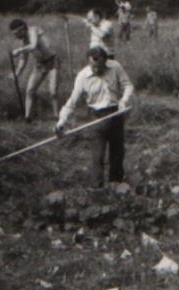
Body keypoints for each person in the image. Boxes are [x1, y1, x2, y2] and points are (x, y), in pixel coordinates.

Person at [55, 46, 134, 188]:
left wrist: (124, 101)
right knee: (97, 156)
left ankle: (116, 187)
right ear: (89, 62)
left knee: (117, 154)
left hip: (115, 114)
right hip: (96, 117)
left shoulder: (115, 67)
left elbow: (128, 85)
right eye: (93, 66)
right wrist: (61, 122)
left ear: (105, 61)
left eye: (99, 66)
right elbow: (71, 103)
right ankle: (97, 190)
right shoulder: (82, 76)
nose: (96, 69)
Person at [9, 19, 59, 123]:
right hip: (39, 65)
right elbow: (24, 59)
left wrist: (19, 50)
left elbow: (34, 45)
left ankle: (57, 116)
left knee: (53, 91)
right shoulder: (24, 42)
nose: (15, 36)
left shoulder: (33, 30)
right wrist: (17, 74)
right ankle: (27, 118)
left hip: (52, 62)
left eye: (16, 33)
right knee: (30, 90)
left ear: (22, 29)